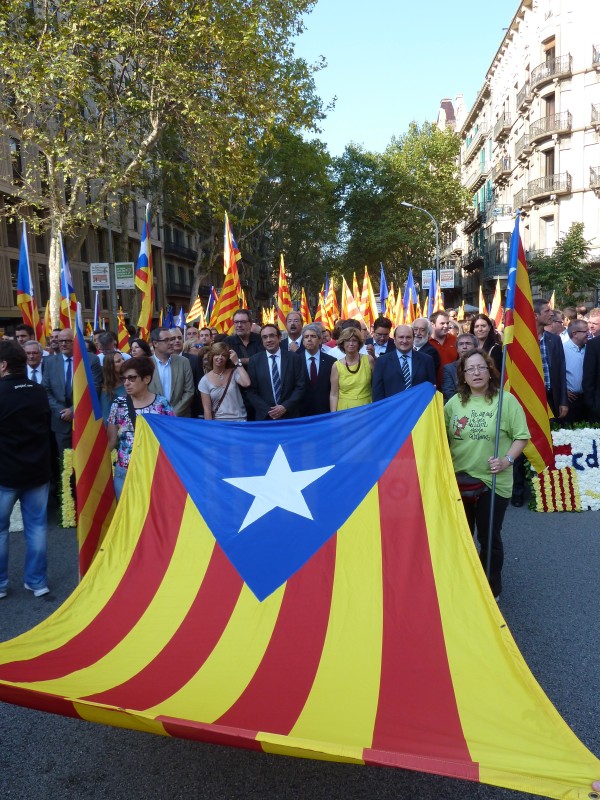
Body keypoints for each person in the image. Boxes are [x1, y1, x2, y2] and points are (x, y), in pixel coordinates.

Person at [444, 350, 529, 599]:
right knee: (461, 536)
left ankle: (491, 590)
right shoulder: (454, 403)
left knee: (489, 536)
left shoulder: (506, 402)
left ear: (490, 371)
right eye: (470, 369)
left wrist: (507, 460)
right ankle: (462, 584)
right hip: (459, 480)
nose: (476, 373)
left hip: (492, 481)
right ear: (463, 375)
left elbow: (521, 436)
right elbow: (440, 436)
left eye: (481, 367)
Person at [0, 341, 52, 598]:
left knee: (0, 530)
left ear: (3, 365)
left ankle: (0, 584)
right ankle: (37, 581)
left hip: (5, 473)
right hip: (37, 471)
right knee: (37, 527)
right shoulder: (38, 390)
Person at [107, 358, 174, 500]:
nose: (126, 383)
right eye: (124, 378)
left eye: (131, 378)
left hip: (154, 470)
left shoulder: (162, 404)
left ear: (146, 379)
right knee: (127, 518)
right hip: (125, 471)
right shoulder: (118, 404)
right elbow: (111, 441)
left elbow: (172, 439)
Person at [43, 328, 102, 459]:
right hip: (60, 421)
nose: (63, 344)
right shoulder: (50, 362)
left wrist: (73, 410)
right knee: (65, 463)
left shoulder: (91, 360)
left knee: (86, 460)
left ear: (75, 342)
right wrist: (61, 411)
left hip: (85, 420)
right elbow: (46, 390)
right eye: (61, 341)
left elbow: (94, 389)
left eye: (67, 341)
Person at [246, 324, 306, 420]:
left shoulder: (294, 358)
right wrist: (268, 410)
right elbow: (251, 391)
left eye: (271, 336)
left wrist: (285, 406)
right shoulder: (254, 361)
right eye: (264, 337)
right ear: (262, 341)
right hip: (266, 418)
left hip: (290, 416)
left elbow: (301, 386)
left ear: (279, 338)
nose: (268, 340)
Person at [372, 324, 436, 401]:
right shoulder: (382, 362)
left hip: (420, 409)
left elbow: (431, 388)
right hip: (393, 410)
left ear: (413, 339)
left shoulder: (426, 360)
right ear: (394, 339)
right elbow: (377, 393)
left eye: (408, 337)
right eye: (401, 337)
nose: (404, 341)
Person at [148, 327, 195, 417]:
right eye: (166, 340)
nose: (171, 343)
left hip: (180, 417)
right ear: (155, 343)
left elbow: (189, 391)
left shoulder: (183, 362)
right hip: (155, 418)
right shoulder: (145, 364)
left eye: (171, 339)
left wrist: (173, 413)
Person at [199, 342, 250, 421]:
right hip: (219, 422)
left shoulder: (234, 372)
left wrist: (237, 362)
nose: (220, 357)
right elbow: (207, 410)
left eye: (224, 355)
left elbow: (246, 383)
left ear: (227, 358)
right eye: (217, 354)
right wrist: (209, 429)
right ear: (212, 356)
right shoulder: (204, 380)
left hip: (239, 420)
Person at [329, 327, 374, 410]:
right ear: (342, 343)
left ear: (359, 343)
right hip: (344, 410)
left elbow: (376, 385)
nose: (351, 343)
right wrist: (333, 416)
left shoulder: (369, 360)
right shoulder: (336, 366)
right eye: (347, 340)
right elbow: (334, 394)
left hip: (366, 408)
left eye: (354, 340)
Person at [301, 323, 336, 415]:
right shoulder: (295, 361)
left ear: (320, 340)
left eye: (313, 336)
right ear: (303, 341)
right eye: (306, 337)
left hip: (324, 412)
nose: (309, 339)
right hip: (301, 413)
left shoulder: (331, 361)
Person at [441, 333, 478, 403]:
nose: (464, 347)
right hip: (458, 405)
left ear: (476, 347)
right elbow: (449, 393)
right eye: (461, 344)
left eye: (468, 343)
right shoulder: (449, 369)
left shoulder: (484, 366)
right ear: (457, 349)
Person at [99, 351, 126, 423]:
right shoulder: (107, 390)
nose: (123, 362)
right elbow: (106, 418)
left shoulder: (129, 381)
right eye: (118, 361)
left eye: (123, 359)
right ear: (110, 366)